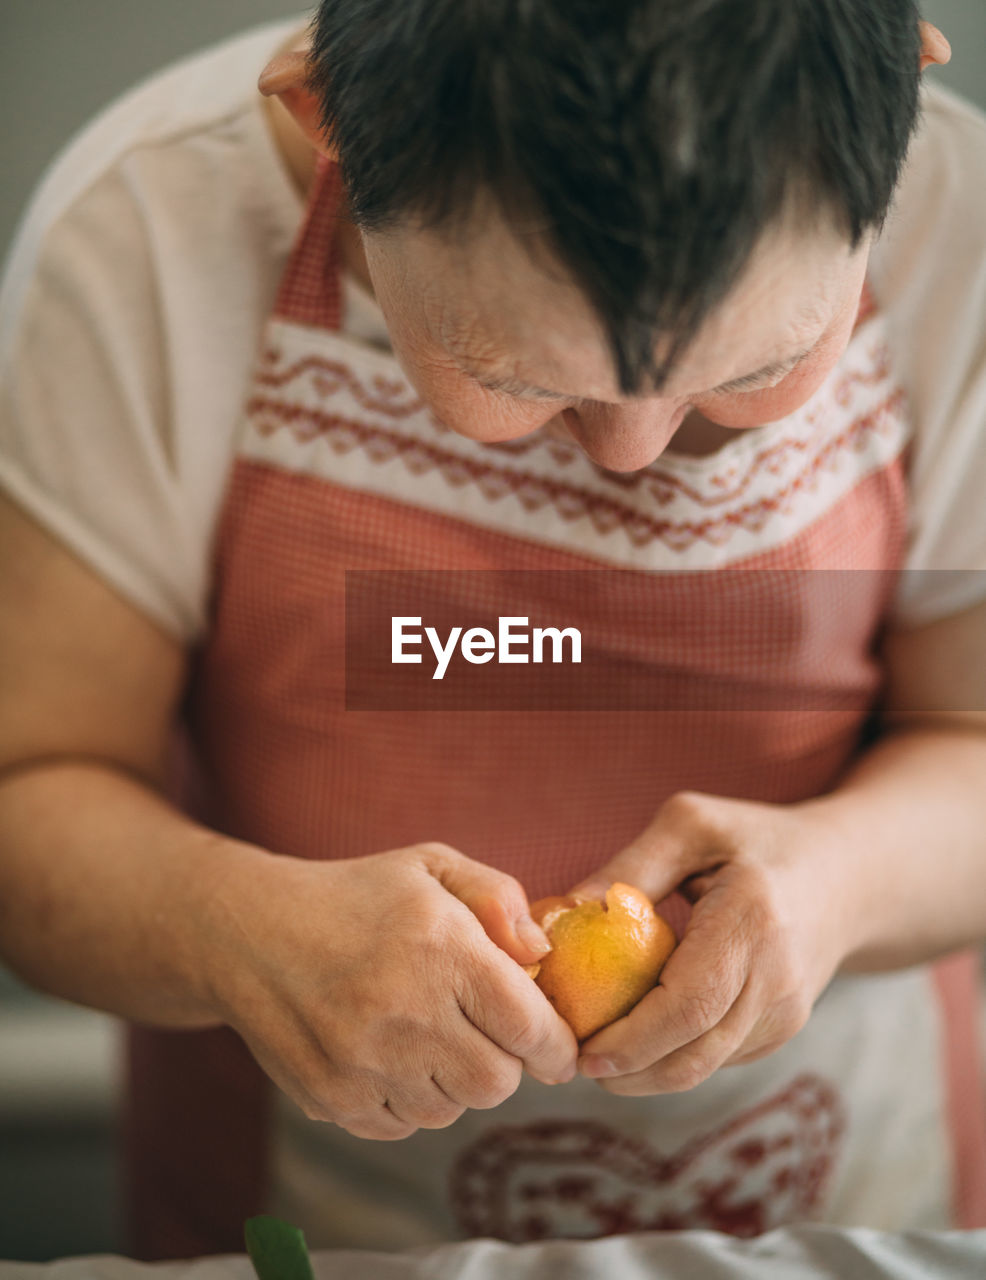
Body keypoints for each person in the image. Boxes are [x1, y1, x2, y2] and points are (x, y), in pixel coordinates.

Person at [1, 0, 985, 1262]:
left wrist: (840, 878)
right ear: (331, 125)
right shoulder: (146, 240)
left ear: (897, 100)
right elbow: (32, 786)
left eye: (756, 369)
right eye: (521, 380)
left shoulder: (961, 248)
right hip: (317, 1204)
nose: (631, 453)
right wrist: (232, 926)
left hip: (845, 1181)